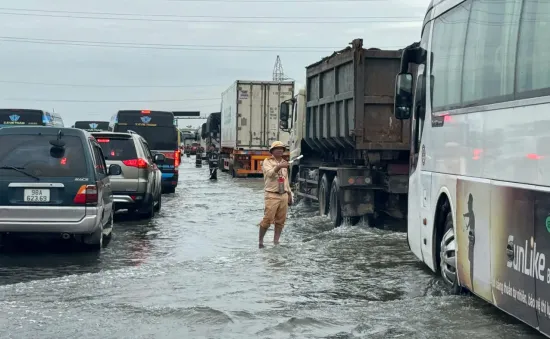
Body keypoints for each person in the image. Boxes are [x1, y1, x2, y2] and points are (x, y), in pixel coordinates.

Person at [258, 141, 293, 248]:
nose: (280, 150)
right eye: (277, 148)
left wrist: (290, 194)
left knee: (280, 221)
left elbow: (286, 180)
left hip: (283, 194)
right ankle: (260, 241)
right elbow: (270, 174)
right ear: (272, 151)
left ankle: (276, 241)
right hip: (271, 195)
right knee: (267, 219)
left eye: (282, 149)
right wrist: (278, 167)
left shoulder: (284, 162)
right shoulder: (267, 161)